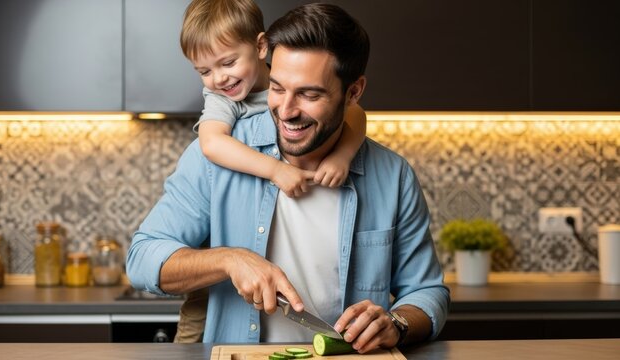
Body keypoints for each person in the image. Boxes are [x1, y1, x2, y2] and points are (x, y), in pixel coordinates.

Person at [127, 2, 449, 352]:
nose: (287, 111)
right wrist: (230, 259)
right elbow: (143, 260)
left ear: (353, 93)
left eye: (310, 94)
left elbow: (427, 291)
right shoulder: (215, 158)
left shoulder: (392, 175)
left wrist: (397, 323)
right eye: (277, 88)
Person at [180, 0, 367, 198]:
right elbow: (211, 143)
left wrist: (342, 157)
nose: (218, 79)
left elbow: (355, 112)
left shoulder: (289, 74)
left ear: (261, 46)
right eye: (205, 71)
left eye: (228, 63)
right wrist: (276, 170)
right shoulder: (220, 98)